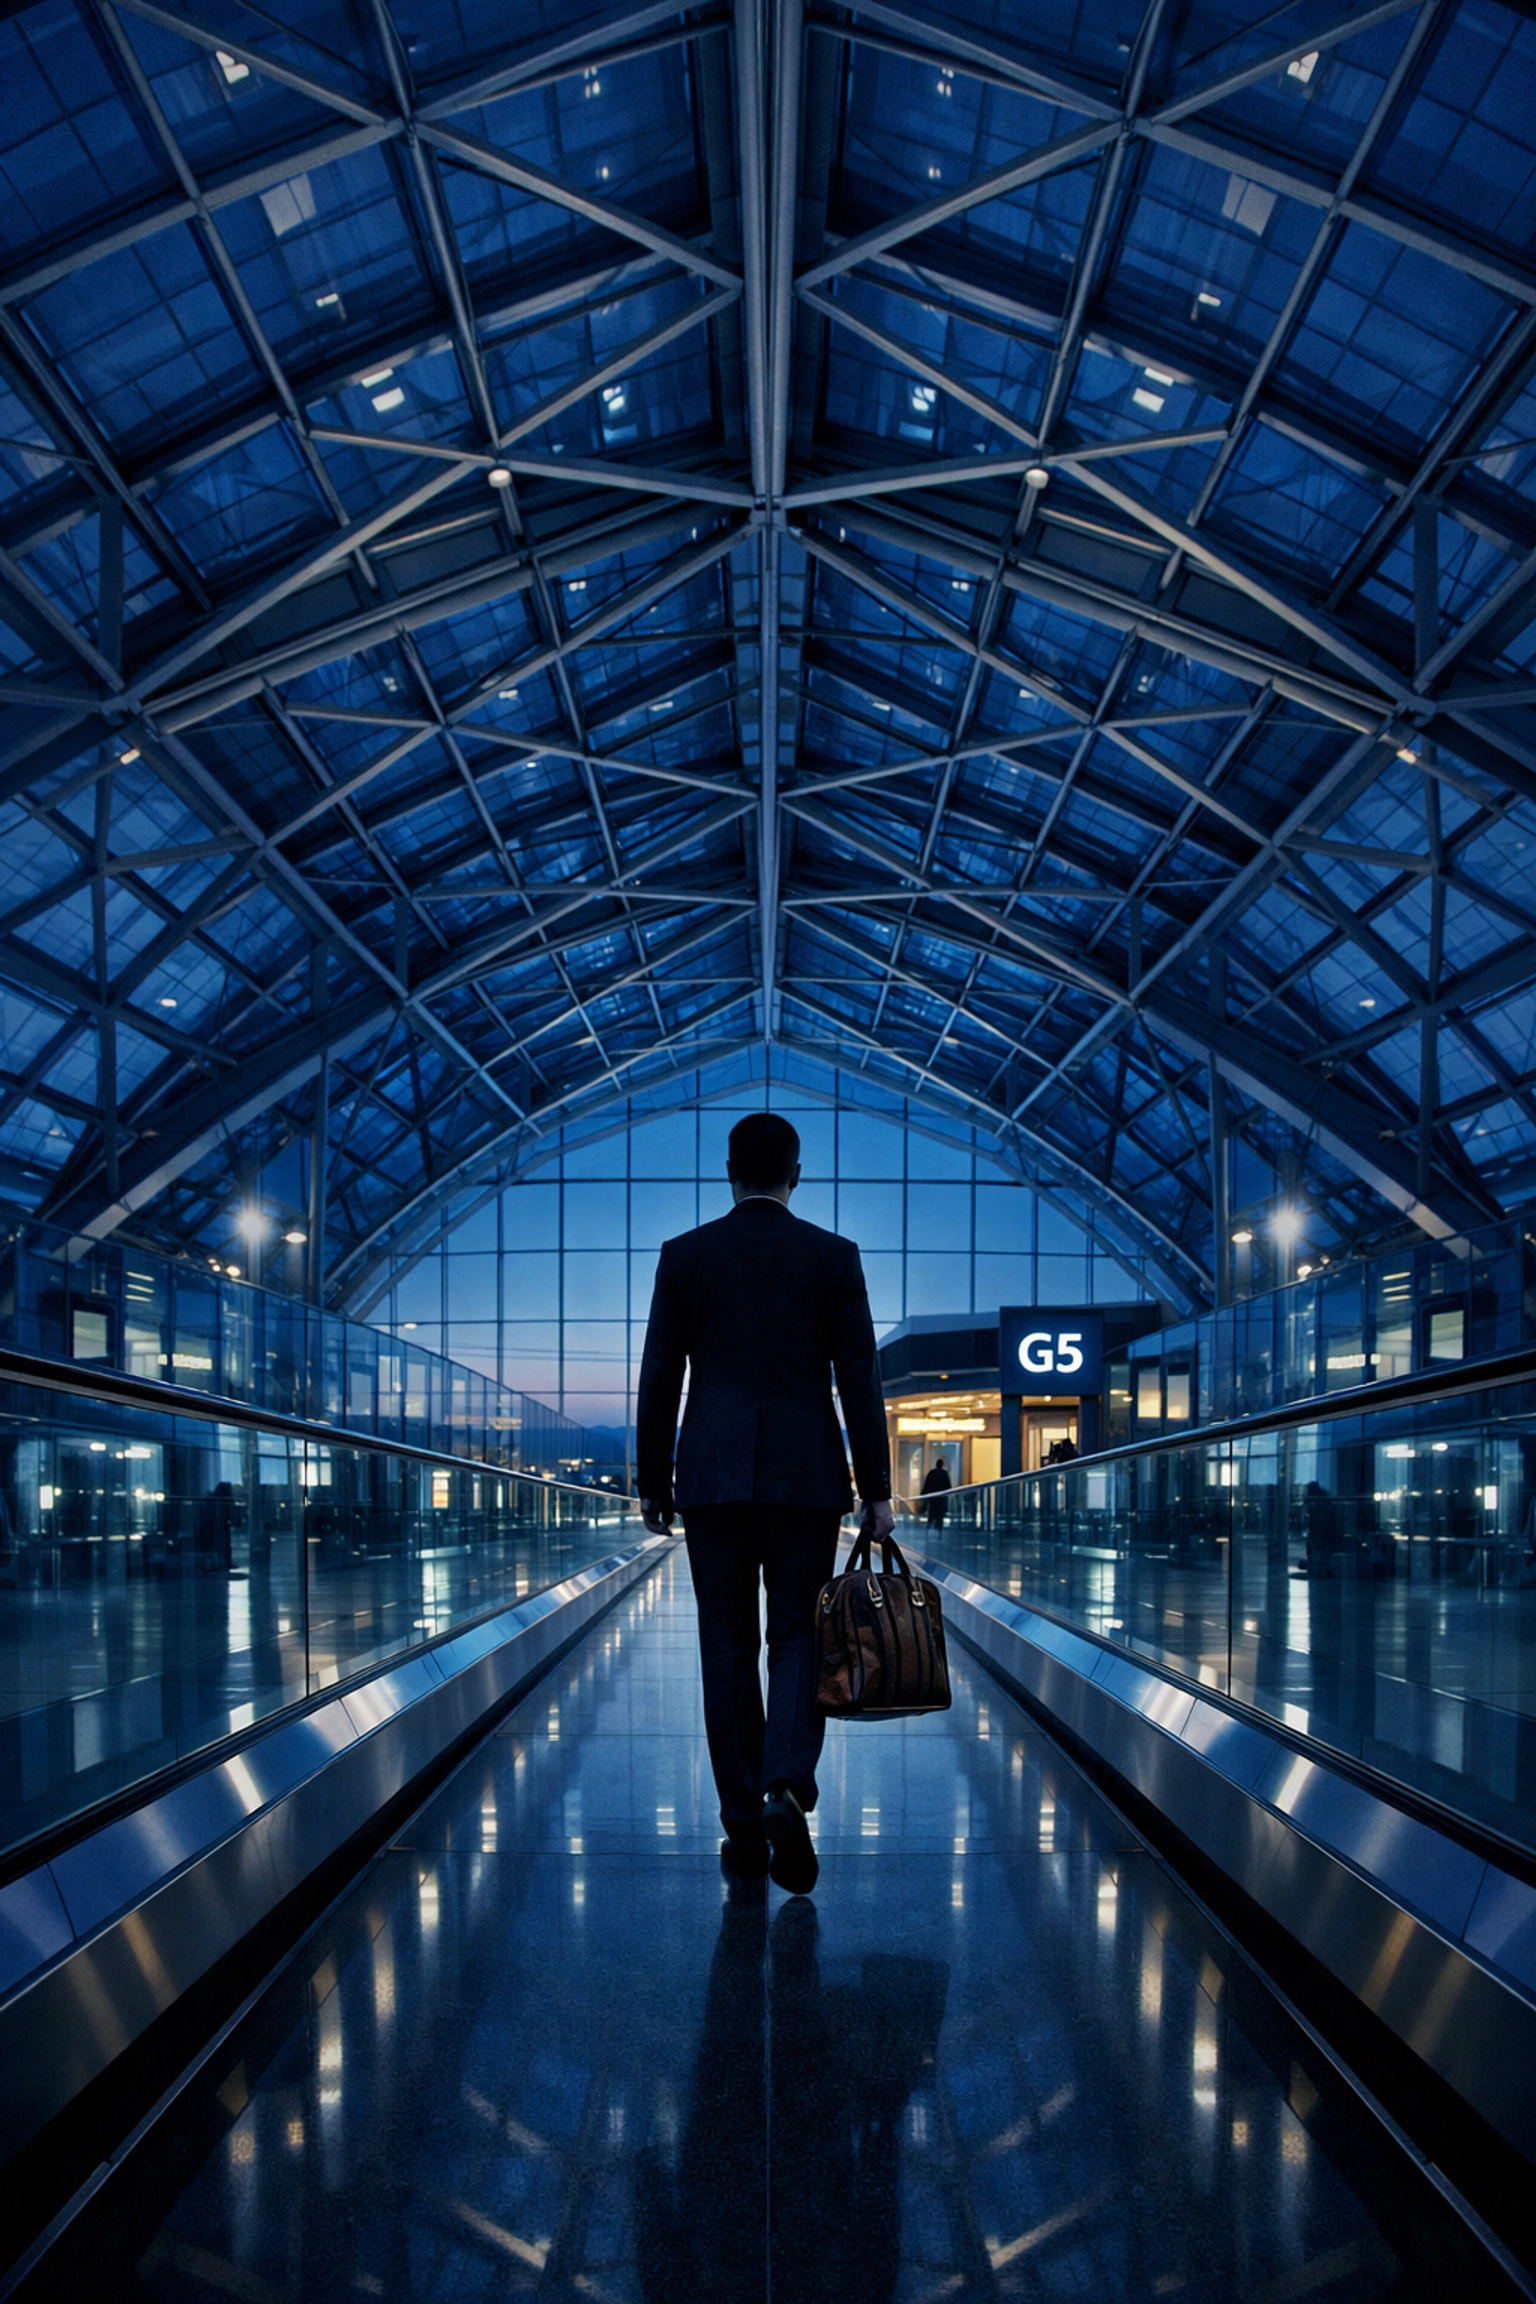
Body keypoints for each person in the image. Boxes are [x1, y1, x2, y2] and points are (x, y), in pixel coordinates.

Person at [636, 1112, 893, 1896]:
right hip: (804, 1482)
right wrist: (877, 1490)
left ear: (728, 1173)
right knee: (796, 1639)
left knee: (724, 1647)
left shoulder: (685, 1257)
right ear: (796, 1174)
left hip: (711, 1484)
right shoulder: (832, 1257)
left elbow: (659, 1380)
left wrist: (655, 1481)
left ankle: (744, 1826)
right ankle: (787, 1784)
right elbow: (860, 1379)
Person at [920, 1456, 951, 1529]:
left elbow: (927, 1485)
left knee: (931, 1515)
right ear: (942, 1465)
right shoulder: (944, 1474)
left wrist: (924, 1495)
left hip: (933, 1499)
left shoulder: (932, 1473)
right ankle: (939, 1531)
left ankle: (929, 1529)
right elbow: (948, 1487)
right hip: (941, 1499)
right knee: (939, 1516)